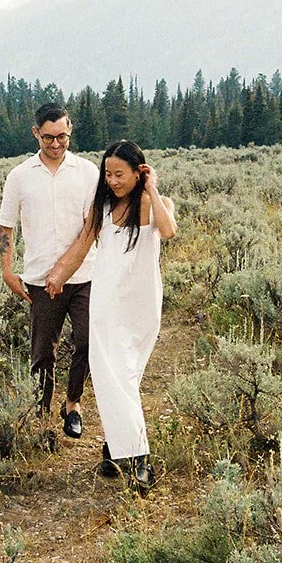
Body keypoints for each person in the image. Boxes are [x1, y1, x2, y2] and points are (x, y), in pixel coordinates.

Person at [44, 139, 176, 489]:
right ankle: (138, 459)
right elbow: (81, 245)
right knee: (112, 376)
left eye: (120, 174)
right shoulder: (101, 206)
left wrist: (153, 188)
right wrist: (57, 275)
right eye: (108, 174)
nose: (113, 181)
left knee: (126, 377)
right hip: (106, 303)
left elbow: (169, 231)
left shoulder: (152, 204)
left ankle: (114, 448)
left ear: (139, 172)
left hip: (141, 304)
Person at [0, 104, 101, 440]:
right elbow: (6, 228)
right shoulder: (19, 176)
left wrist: (65, 267)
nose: (56, 144)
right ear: (35, 134)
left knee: (86, 341)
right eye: (48, 137)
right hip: (39, 278)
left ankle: (72, 404)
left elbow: (91, 226)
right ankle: (41, 416)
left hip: (85, 275)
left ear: (70, 132)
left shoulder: (87, 172)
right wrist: (7, 271)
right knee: (43, 351)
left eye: (62, 137)